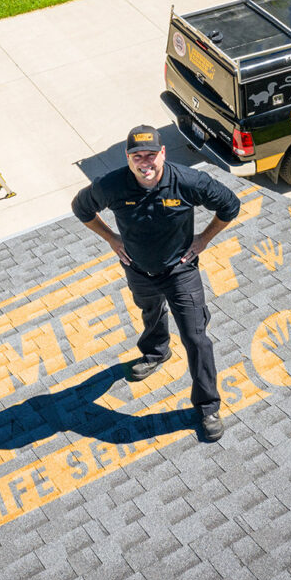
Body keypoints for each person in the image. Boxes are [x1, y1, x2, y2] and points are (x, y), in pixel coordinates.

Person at [71, 125, 241, 441]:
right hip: (137, 269)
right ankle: (156, 352)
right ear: (128, 157)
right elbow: (81, 208)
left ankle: (207, 406)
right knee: (150, 311)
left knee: (196, 338)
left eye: (151, 154)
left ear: (163, 153)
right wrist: (111, 238)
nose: (144, 162)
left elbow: (230, 205)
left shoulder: (188, 181)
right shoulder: (111, 185)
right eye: (137, 156)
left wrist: (204, 239)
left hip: (180, 272)